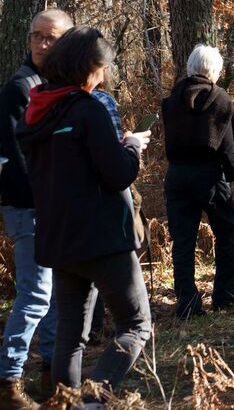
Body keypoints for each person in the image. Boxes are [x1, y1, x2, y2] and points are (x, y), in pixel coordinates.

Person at [16, 26, 152, 396]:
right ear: (87, 67)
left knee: (70, 335)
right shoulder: (87, 109)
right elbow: (118, 174)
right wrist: (131, 147)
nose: (104, 75)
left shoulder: (37, 111)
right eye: (101, 67)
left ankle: (66, 403)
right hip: (102, 238)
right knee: (136, 325)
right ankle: (93, 396)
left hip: (59, 238)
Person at [0, 9, 72, 406]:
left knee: (59, 293)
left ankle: (53, 376)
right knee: (36, 295)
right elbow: (17, 159)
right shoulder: (20, 88)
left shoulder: (58, 84)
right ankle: (8, 381)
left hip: (54, 207)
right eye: (36, 37)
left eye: (51, 37)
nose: (43, 44)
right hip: (30, 207)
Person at [161, 45, 234, 319]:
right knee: (227, 234)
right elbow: (228, 149)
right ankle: (225, 296)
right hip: (211, 175)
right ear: (215, 71)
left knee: (183, 241)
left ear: (190, 68)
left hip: (177, 175)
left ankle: (187, 302)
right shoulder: (222, 100)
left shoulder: (171, 100)